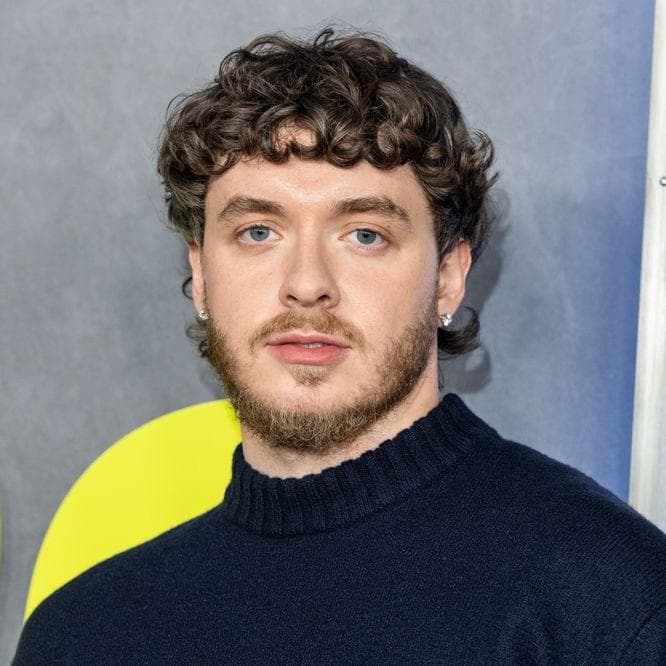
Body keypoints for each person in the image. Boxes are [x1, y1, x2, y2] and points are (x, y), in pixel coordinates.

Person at [13, 27, 666, 664]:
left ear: (448, 277)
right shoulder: (81, 633)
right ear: (202, 275)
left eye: (364, 235)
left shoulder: (612, 602)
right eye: (259, 232)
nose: (306, 285)